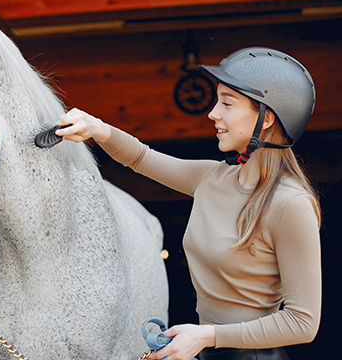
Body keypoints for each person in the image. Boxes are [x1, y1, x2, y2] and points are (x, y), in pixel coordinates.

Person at [55, 47, 322, 360]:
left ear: (266, 119)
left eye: (227, 103)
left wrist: (207, 336)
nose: (213, 113)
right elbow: (141, 158)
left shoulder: (291, 204)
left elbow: (303, 323)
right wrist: (97, 128)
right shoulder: (212, 178)